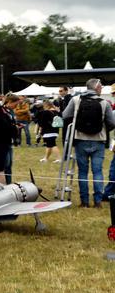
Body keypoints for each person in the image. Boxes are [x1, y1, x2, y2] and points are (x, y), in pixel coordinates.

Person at [61, 78, 115, 207]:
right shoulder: (104, 103)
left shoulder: (75, 100)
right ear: (96, 88)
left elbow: (64, 115)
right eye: (101, 87)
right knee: (97, 171)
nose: (102, 89)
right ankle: (97, 201)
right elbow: (112, 123)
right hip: (98, 141)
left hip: (80, 139)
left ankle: (84, 201)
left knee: (83, 172)